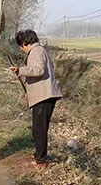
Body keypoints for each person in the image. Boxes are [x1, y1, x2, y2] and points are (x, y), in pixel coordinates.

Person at [10, 29, 62, 167]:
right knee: (39, 128)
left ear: (24, 43)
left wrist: (20, 70)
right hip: (44, 95)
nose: (22, 50)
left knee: (39, 129)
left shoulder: (36, 52)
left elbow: (38, 70)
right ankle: (39, 155)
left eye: (21, 46)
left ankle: (41, 160)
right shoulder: (39, 50)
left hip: (44, 96)